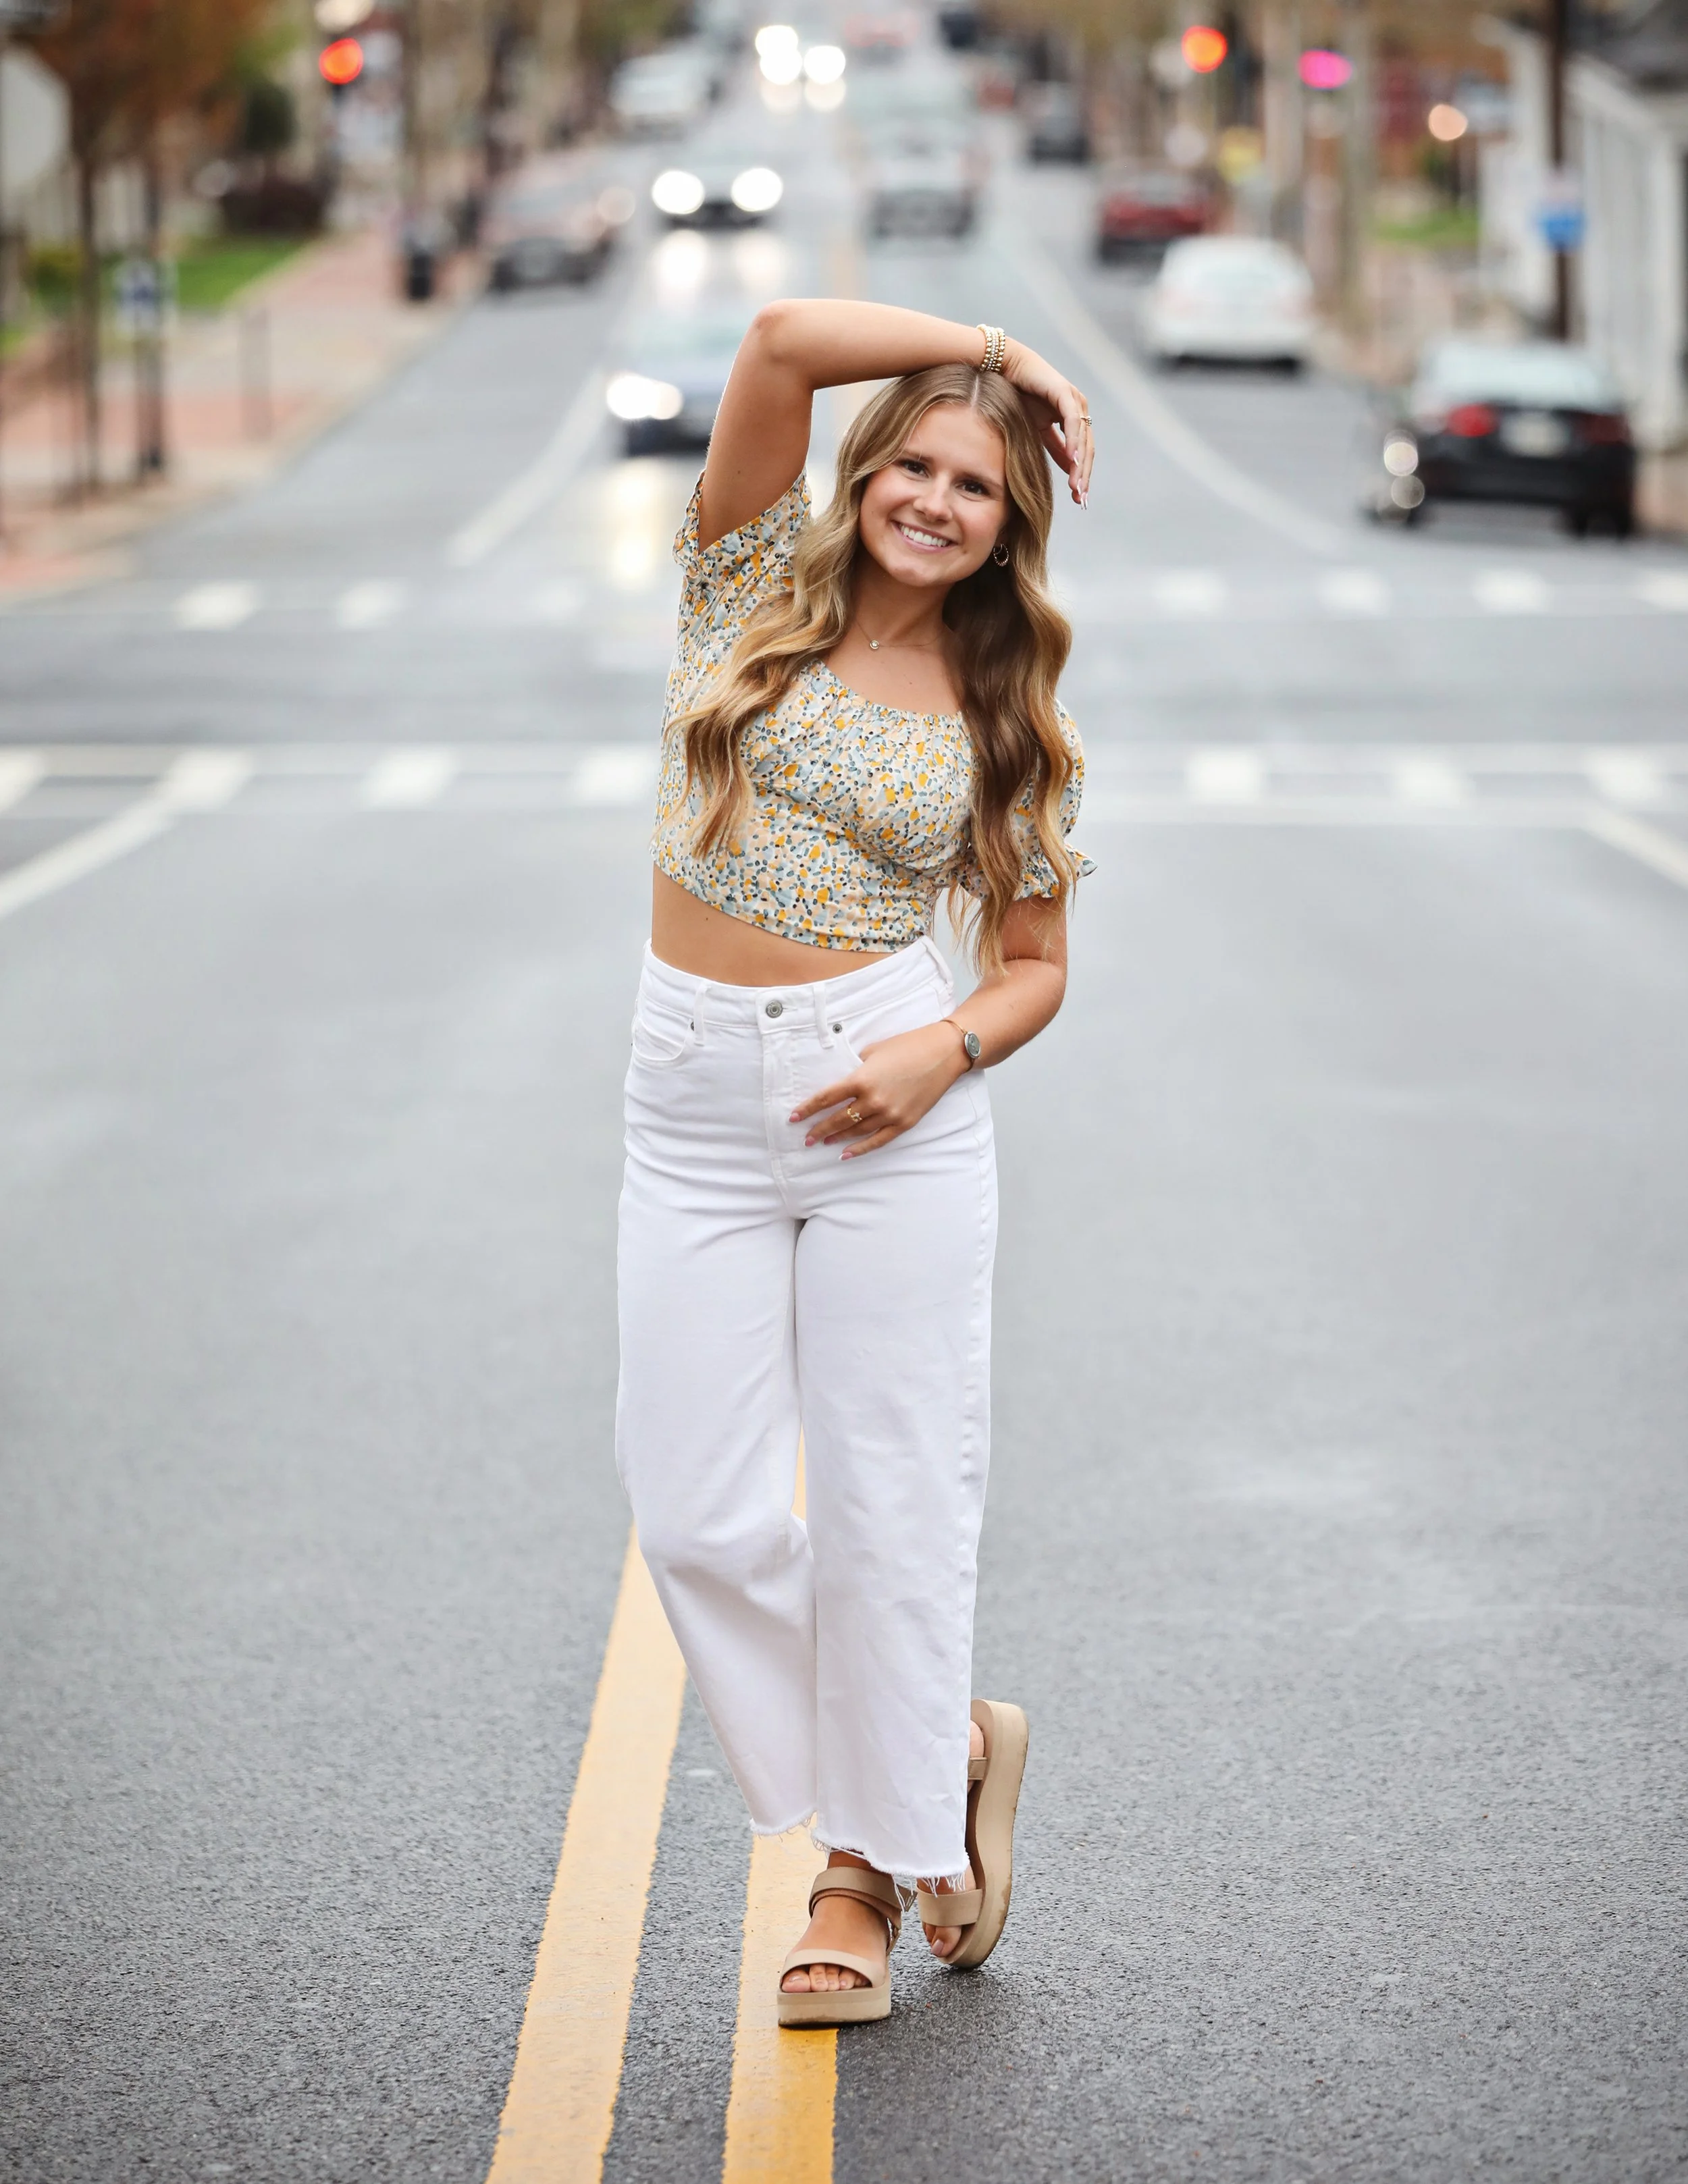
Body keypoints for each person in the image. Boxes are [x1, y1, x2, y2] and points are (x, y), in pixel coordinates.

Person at [615, 300, 1093, 2027]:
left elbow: (1035, 962)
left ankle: (863, 1879)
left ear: (1003, 526)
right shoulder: (740, 582)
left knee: (890, 1515)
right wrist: (1002, 353)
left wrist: (932, 1052)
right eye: (919, 461)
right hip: (687, 1103)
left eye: (978, 485)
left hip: (888, 1104)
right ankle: (944, 1740)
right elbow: (774, 339)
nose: (940, 500)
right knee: (695, 1512)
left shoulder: (1002, 699)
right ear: (866, 467)